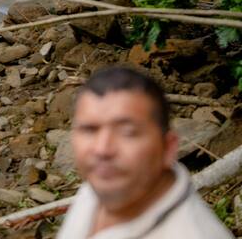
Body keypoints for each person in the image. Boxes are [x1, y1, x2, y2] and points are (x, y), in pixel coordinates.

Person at [57, 65, 231, 239]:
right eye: (89, 130)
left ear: (168, 147)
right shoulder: (101, 186)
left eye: (127, 132)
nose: (102, 149)